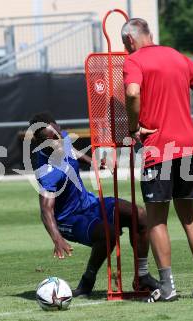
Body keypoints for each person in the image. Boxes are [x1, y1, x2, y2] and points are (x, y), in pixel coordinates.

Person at [121, 18, 193, 302]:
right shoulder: (177, 57)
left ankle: (167, 287)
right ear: (149, 34)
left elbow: (131, 92)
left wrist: (132, 128)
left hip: (158, 148)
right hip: (188, 147)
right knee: (189, 217)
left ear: (130, 40)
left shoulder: (134, 61)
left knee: (156, 220)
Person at [29, 111, 159, 297]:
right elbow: (46, 210)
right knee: (108, 233)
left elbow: (71, 151)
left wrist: (93, 162)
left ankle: (142, 275)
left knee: (139, 215)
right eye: (52, 141)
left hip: (89, 204)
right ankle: (87, 282)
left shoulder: (60, 136)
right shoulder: (47, 171)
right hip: (69, 219)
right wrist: (56, 238)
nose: (58, 141)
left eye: (58, 135)